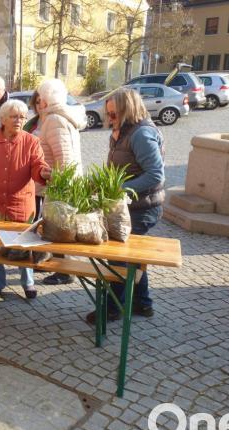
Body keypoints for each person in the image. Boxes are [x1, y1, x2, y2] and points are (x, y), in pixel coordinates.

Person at [87, 87, 165, 325]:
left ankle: (111, 309)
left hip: (142, 208)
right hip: (130, 206)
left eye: (113, 114)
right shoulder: (122, 132)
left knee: (118, 259)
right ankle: (143, 303)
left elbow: (155, 175)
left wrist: (118, 189)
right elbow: (122, 168)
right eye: (108, 114)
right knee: (133, 258)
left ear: (127, 110)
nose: (109, 119)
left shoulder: (140, 134)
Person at [0, 100, 51, 300]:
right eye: (14, 116)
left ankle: (28, 283)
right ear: (3, 119)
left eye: (22, 117)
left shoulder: (31, 141)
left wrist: (43, 172)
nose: (19, 120)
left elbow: (37, 165)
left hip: (20, 205)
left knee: (25, 245)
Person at [35, 79, 86, 285]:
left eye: (40, 99)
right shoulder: (60, 117)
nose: (38, 103)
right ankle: (61, 266)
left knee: (61, 229)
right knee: (60, 228)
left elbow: (65, 162)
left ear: (46, 100)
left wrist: (48, 175)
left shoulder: (55, 120)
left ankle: (64, 271)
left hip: (61, 188)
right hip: (62, 186)